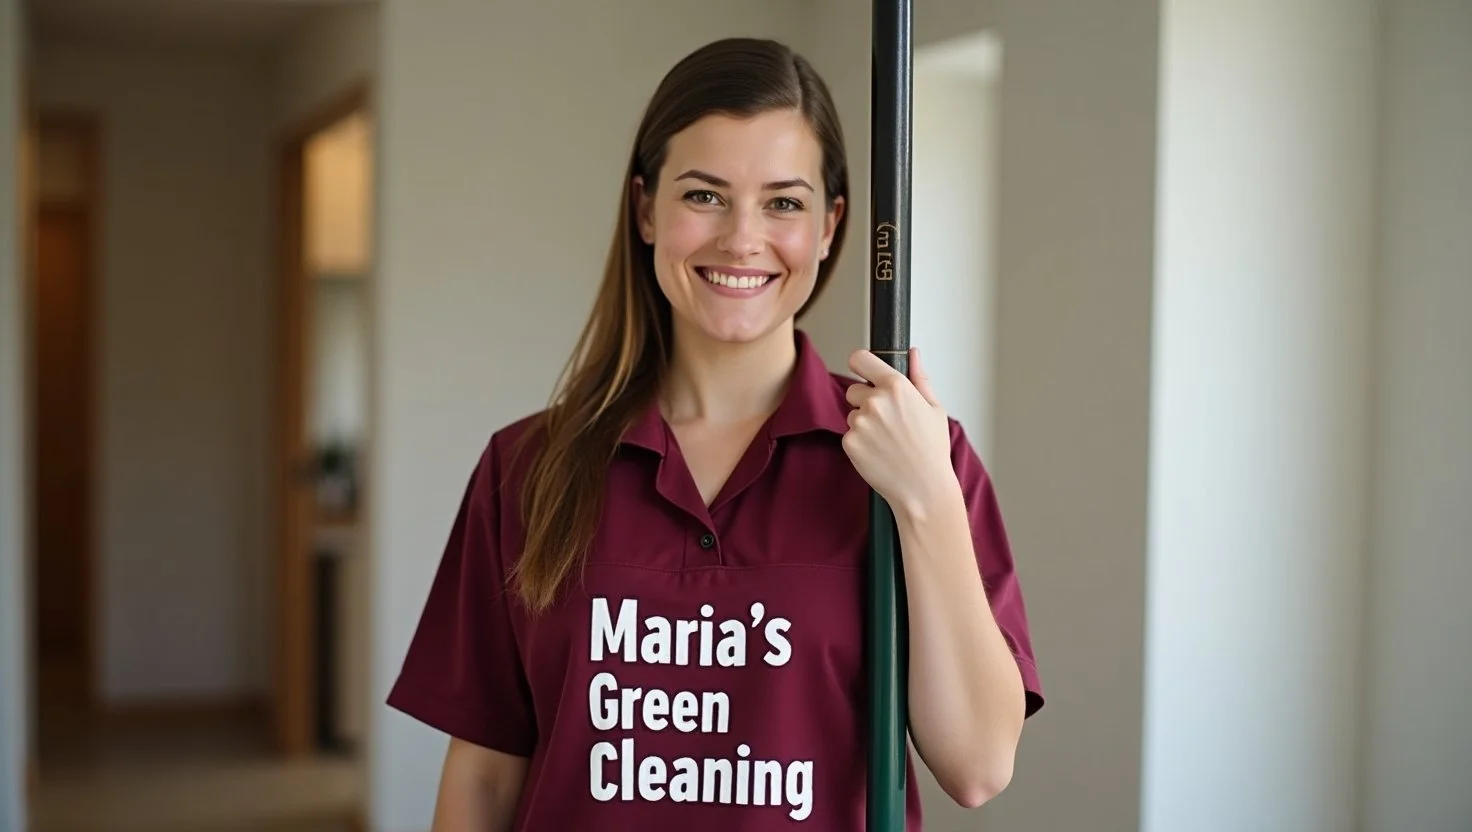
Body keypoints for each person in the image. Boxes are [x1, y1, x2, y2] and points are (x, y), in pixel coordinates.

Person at [387, 36, 1043, 831]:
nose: (742, 238)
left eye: (784, 202)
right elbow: (484, 780)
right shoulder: (525, 468)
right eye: (704, 195)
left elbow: (977, 767)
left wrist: (927, 501)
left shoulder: (916, 458)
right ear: (644, 209)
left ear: (832, 225)